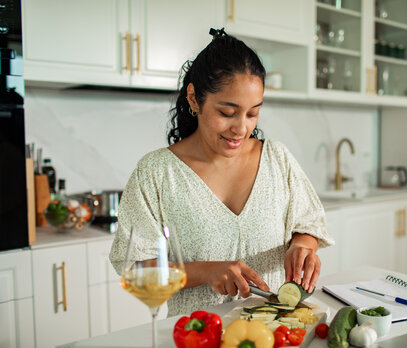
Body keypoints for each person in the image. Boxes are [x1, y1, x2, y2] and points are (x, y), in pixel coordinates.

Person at [109, 28, 333, 316]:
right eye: (227, 113)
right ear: (193, 98)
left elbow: (308, 224)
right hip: (197, 337)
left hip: (276, 335)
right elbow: (137, 271)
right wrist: (206, 272)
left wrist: (303, 245)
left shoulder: (277, 158)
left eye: (253, 113)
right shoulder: (156, 173)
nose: (241, 128)